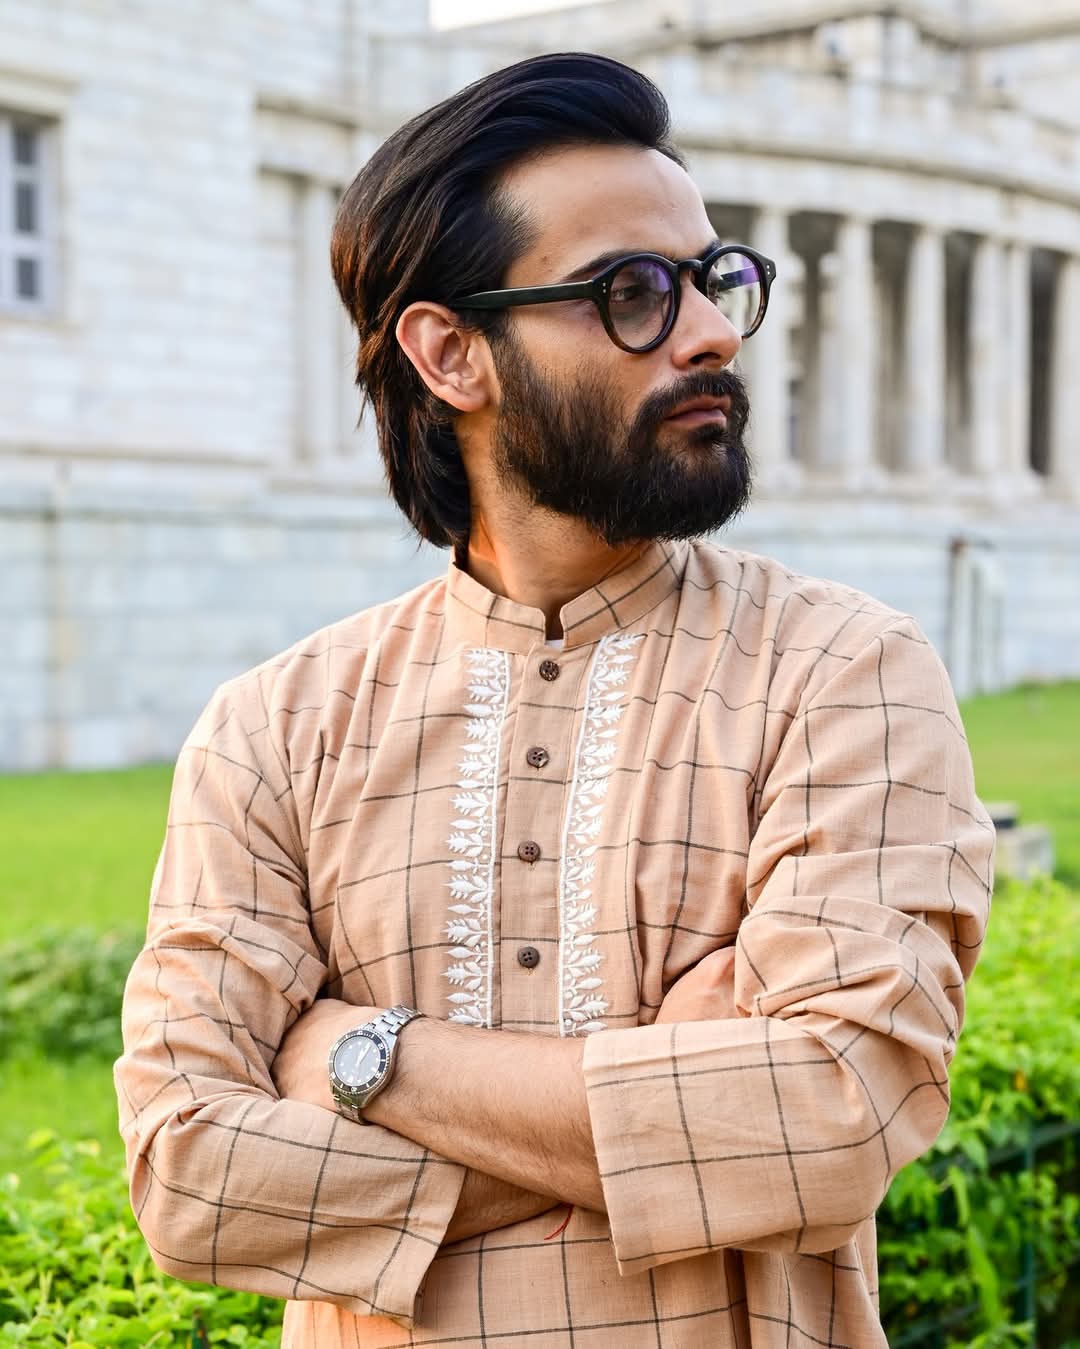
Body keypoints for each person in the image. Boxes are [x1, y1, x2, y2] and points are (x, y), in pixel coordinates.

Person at [115, 51, 993, 1348]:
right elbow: (191, 1180)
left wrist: (364, 1058)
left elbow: (833, 1119)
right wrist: (669, 1100)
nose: (708, 332)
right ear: (451, 353)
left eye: (711, 279)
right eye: (631, 293)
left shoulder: (842, 670)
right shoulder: (278, 730)